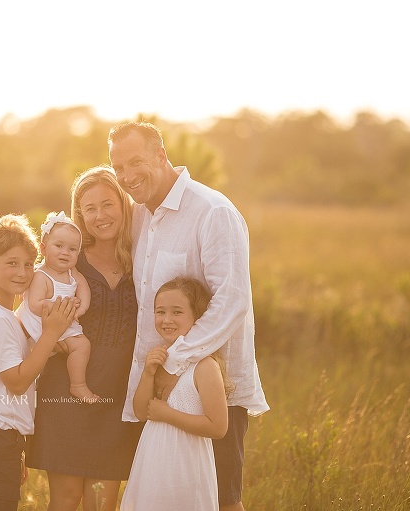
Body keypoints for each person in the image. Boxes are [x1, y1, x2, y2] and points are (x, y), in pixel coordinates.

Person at [108, 121, 270, 511]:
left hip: (208, 388)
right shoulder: (140, 214)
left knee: (220, 500)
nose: (127, 177)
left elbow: (232, 302)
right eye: (119, 168)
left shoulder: (213, 212)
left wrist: (176, 362)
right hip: (155, 387)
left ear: (161, 156)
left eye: (136, 162)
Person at [26, 166, 144, 511]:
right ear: (79, 214)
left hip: (118, 396)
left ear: (124, 205)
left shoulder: (143, 256)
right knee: (65, 500)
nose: (99, 216)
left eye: (108, 205)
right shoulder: (68, 259)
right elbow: (36, 306)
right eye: (89, 209)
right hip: (66, 391)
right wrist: (51, 337)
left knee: (103, 503)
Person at [0, 214, 77, 511]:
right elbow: (18, 382)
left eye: (28, 264)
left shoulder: (4, 315)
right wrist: (50, 334)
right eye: (11, 263)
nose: (23, 273)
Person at [121, 277, 230, 511]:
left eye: (177, 312)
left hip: (186, 465)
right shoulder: (161, 359)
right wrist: (149, 373)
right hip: (153, 461)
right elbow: (141, 412)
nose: (167, 320)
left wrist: (167, 414)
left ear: (197, 317)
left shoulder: (205, 366)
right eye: (160, 312)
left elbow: (218, 427)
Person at [17, 211, 98, 403]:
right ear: (43, 249)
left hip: (64, 322)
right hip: (40, 325)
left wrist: (81, 308)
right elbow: (35, 305)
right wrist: (60, 307)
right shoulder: (41, 276)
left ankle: (77, 385)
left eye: (72, 249)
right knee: (30, 364)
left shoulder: (71, 272)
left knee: (82, 345)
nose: (65, 252)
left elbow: (83, 286)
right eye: (59, 246)